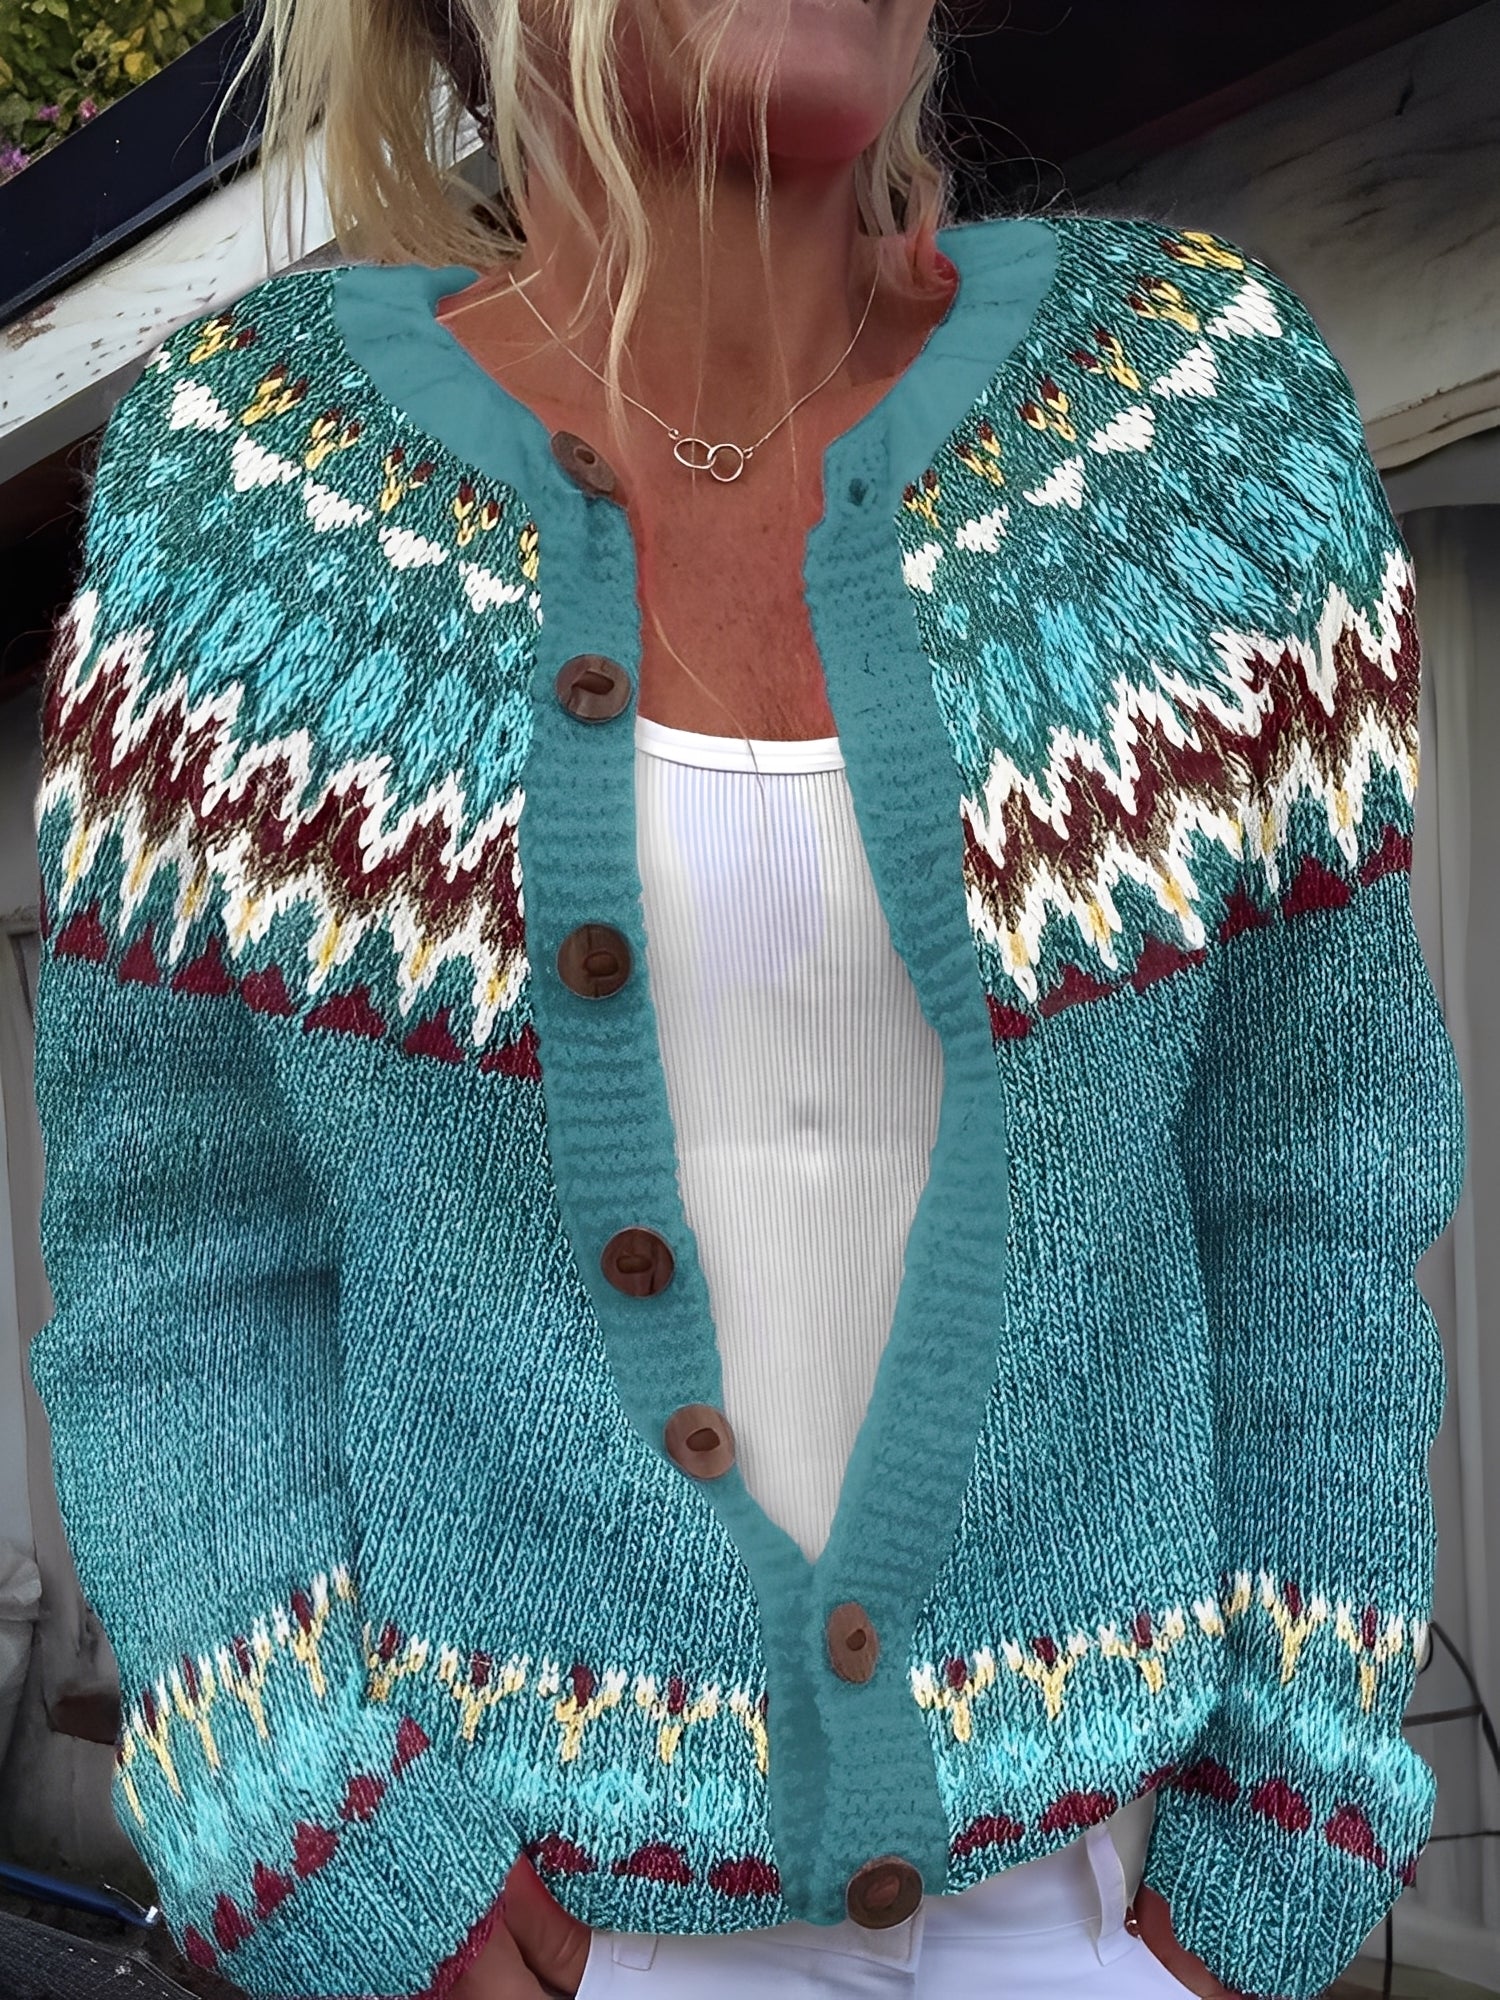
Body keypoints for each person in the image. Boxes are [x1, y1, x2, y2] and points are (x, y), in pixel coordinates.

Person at [26, 2, 1466, 1998]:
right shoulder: (254, 496)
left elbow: (1312, 1194)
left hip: (1095, 1911)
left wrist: (1273, 1859)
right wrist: (338, 1870)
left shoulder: (1186, 417)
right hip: (529, 1918)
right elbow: (179, 1265)